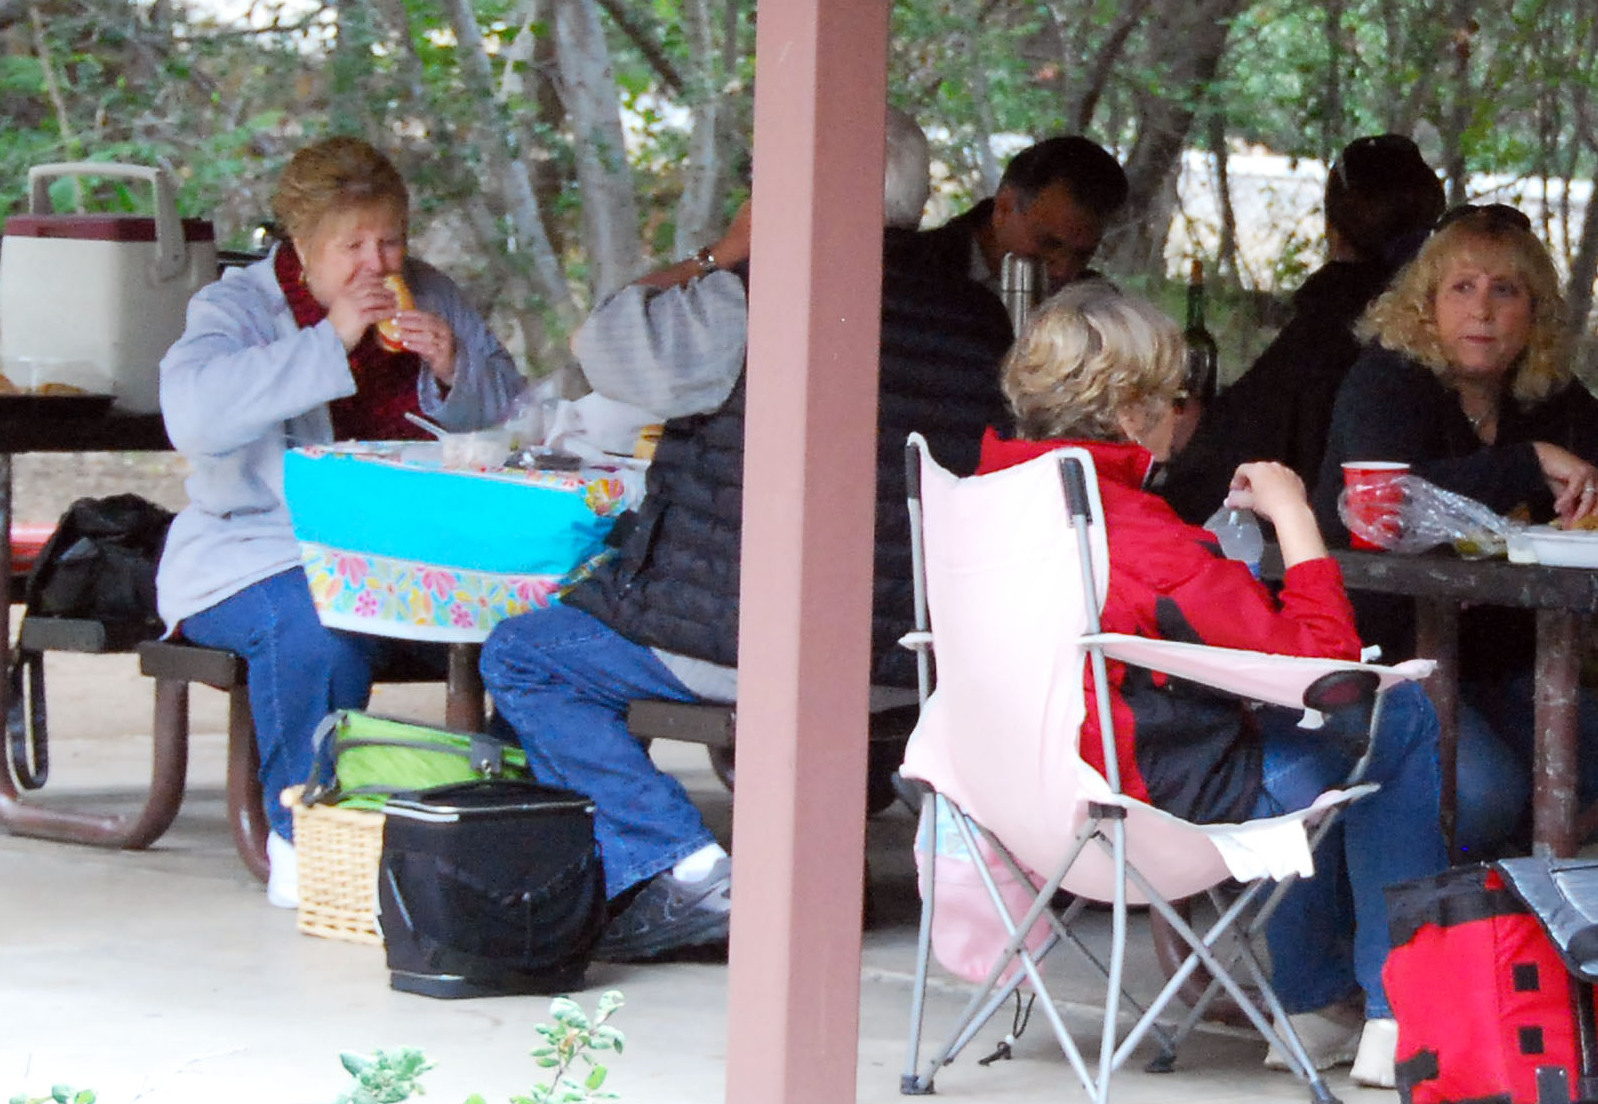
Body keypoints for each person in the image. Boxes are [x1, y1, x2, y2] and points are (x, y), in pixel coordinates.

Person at [476, 108, 1013, 962]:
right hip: (903, 656)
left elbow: (604, 345)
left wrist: (719, 253)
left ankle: (678, 864)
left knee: (523, 655)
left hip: (739, 641)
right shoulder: (981, 322)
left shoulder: (753, 292)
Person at [1285, 204, 1598, 1085]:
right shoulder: (1386, 381)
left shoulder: (1545, 395)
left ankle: (1457, 941)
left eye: (1505, 291)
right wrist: (1530, 462)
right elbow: (1388, 504)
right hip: (1379, 660)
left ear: (1536, 313)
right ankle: (1388, 973)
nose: (1482, 310)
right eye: (1461, 289)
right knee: (1475, 785)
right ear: (1426, 303)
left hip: (1494, 660)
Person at [157, 137, 525, 910]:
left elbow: (510, 412)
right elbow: (193, 416)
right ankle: (305, 839)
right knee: (319, 625)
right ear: (301, 247)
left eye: (389, 239)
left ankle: (504, 823)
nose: (376, 262)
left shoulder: (429, 291)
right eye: (351, 245)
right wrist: (328, 342)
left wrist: (456, 366)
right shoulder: (235, 306)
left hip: (414, 544)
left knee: (539, 619)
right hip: (256, 548)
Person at [977, 285, 1360, 916]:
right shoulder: (1142, 538)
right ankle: (1372, 996)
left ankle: (1332, 992)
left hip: (1012, 806)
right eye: (1175, 399)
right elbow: (1327, 668)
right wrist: (1294, 514)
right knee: (1389, 723)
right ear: (1132, 413)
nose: (1185, 416)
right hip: (1139, 816)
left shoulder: (982, 502)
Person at [1159, 133, 1445, 520]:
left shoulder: (1321, 329)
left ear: (1333, 229)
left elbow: (1241, 449)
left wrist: (1196, 429)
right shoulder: (1441, 324)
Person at [910, 133, 1132, 297]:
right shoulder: (915, 271)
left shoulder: (1091, 302)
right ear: (1004, 208)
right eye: (1048, 244)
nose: (1063, 271)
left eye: (1082, 256)